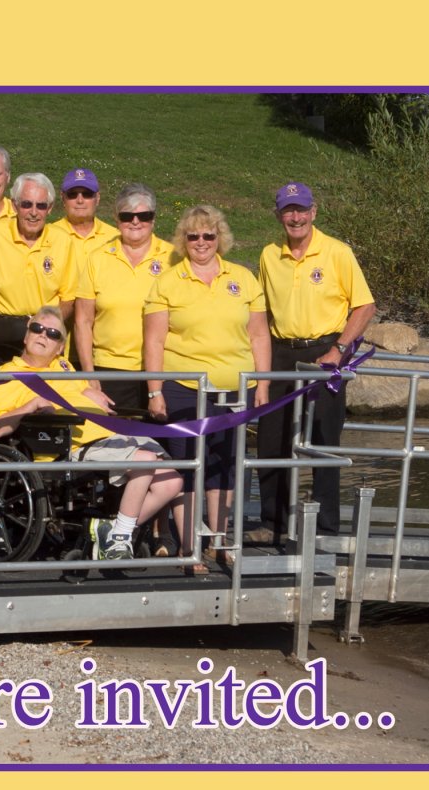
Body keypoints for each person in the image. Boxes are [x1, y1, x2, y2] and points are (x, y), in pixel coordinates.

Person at [0, 306, 182, 561]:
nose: (43, 335)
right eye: (37, 328)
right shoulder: (9, 374)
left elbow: (87, 393)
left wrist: (91, 393)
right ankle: (119, 542)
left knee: (172, 480)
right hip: (72, 444)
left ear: (60, 348)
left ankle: (111, 532)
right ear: (25, 337)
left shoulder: (64, 367)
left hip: (109, 434)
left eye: (53, 334)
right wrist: (30, 405)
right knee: (144, 460)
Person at [143, 205, 271, 574]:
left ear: (221, 238)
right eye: (193, 236)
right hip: (184, 387)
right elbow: (154, 341)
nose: (201, 242)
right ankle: (189, 550)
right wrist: (155, 390)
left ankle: (220, 543)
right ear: (184, 240)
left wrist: (262, 383)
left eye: (209, 235)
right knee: (187, 470)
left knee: (225, 469)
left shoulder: (243, 278)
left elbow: (259, 334)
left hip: (234, 390)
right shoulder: (168, 281)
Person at [255, 182, 376, 543]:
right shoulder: (268, 255)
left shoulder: (337, 252)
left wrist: (338, 349)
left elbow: (365, 306)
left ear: (314, 212)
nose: (296, 217)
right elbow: (259, 312)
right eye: (289, 210)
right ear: (279, 215)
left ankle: (324, 527)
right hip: (281, 351)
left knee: (324, 436)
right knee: (271, 436)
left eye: (301, 209)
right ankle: (272, 523)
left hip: (325, 350)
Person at [73, 182, 173, 411]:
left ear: (153, 219)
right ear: (117, 219)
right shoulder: (97, 259)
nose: (135, 222)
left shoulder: (173, 258)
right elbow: (83, 321)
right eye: (127, 216)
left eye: (143, 215)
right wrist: (89, 374)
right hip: (109, 370)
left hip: (162, 369)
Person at [0, 172, 78, 367]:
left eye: (41, 205)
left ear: (49, 208)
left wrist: (44, 324)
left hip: (45, 336)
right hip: (1, 335)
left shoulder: (64, 241)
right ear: (15, 205)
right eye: (27, 204)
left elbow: (69, 298)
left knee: (47, 396)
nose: (33, 212)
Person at [53, 168, 117, 269]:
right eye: (72, 194)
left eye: (87, 194)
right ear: (63, 198)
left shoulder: (115, 237)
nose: (80, 200)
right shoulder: (49, 236)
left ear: (98, 198)